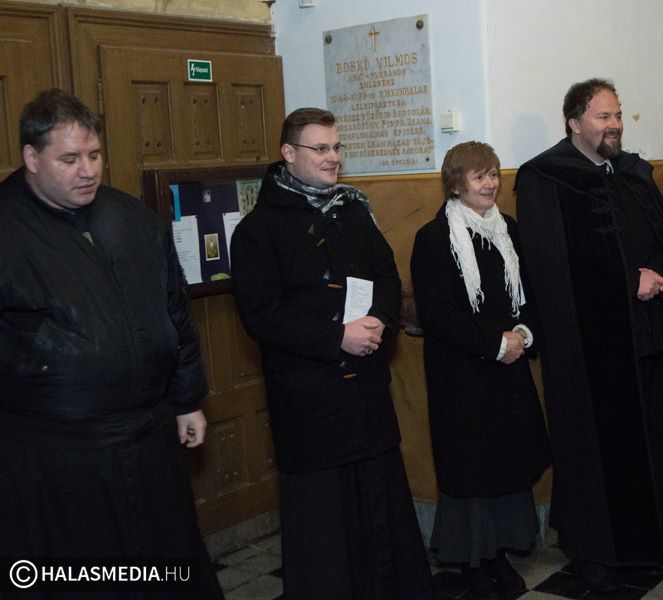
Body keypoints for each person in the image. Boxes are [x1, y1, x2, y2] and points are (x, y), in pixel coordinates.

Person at [0, 89, 222, 598]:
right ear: (31, 157)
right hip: (56, 455)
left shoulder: (131, 217)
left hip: (149, 437)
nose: (87, 171)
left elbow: (174, 308)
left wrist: (188, 399)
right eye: (69, 159)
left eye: (95, 155)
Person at [514, 78, 663, 590]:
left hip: (646, 332)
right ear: (574, 122)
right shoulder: (545, 177)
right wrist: (628, 281)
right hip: (589, 345)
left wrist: (657, 272)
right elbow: (553, 267)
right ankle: (596, 549)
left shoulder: (631, 172)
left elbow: (658, 236)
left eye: (617, 114)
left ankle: (647, 536)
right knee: (596, 448)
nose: (615, 124)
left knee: (648, 433)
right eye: (603, 116)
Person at [229, 107, 432, 600]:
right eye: (320, 148)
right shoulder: (257, 229)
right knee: (324, 531)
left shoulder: (352, 210)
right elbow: (262, 316)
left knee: (380, 511)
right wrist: (336, 336)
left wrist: (380, 320)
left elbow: (385, 275)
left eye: (337, 147)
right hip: (310, 402)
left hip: (366, 393)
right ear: (288, 153)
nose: (333, 157)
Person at [411, 142, 551, 599]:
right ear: (456, 184)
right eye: (479, 176)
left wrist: (523, 334)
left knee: (507, 463)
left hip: (508, 370)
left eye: (494, 174)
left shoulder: (507, 229)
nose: (490, 183)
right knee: (471, 470)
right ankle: (473, 562)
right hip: (462, 376)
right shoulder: (435, 238)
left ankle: (499, 554)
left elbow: (528, 294)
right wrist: (495, 344)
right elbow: (439, 315)